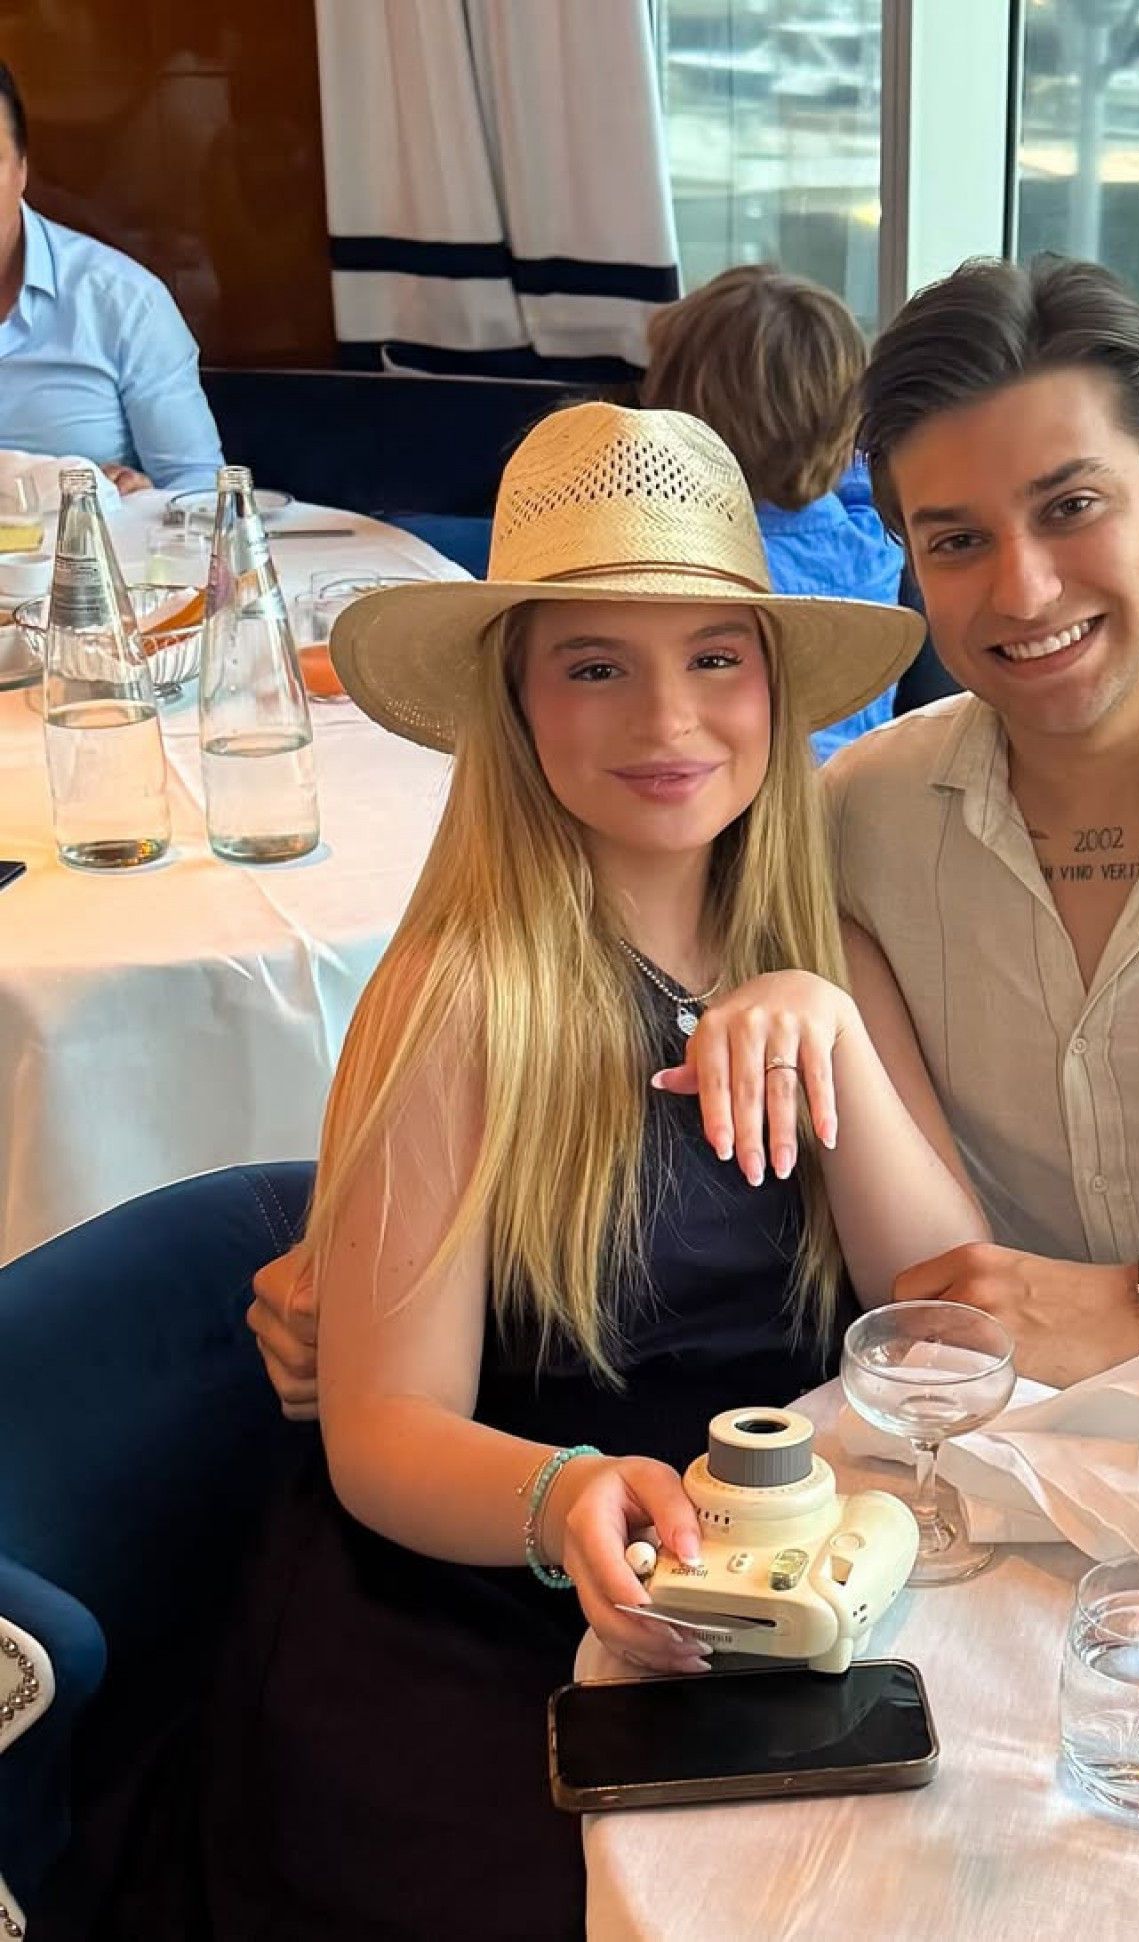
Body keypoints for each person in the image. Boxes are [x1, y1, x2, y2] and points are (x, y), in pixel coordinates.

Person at [249, 256, 1139, 1404]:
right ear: (906, 555)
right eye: (958, 539)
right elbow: (595, 983)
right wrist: (362, 1260)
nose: (1022, 591)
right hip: (982, 1439)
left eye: (1071, 507)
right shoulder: (858, 813)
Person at [59, 403, 982, 1942]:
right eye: (595, 666)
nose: (668, 718)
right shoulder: (461, 996)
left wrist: (833, 1035)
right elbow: (382, 1431)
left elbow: (944, 1313)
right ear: (518, 702)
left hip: (782, 1565)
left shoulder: (833, 953)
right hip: (486, 1593)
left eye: (715, 658)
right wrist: (563, 1497)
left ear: (772, 685)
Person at [640, 263, 907, 759]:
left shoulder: (671, 558)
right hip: (858, 781)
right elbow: (863, 468)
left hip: (734, 791)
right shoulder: (874, 542)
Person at [0, 62, 224, 492]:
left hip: (86, 537)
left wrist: (141, 499)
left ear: (22, 170)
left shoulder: (124, 302)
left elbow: (200, 491)